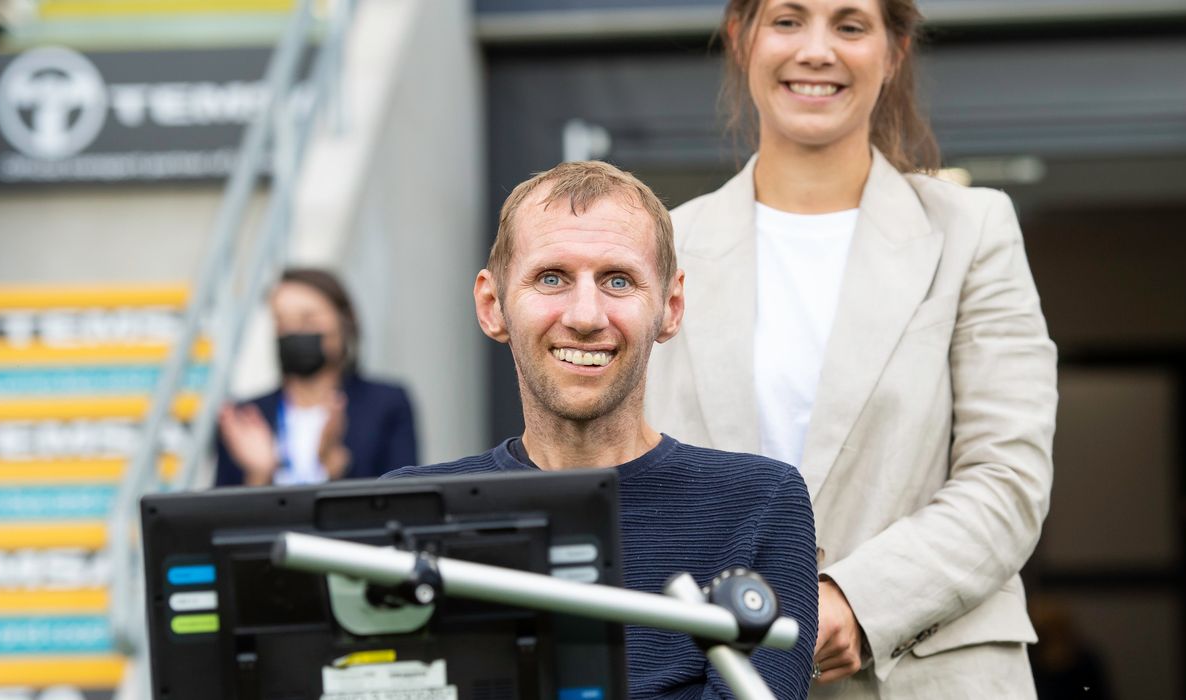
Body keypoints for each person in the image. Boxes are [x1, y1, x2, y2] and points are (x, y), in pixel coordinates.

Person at [645, 0, 1058, 697]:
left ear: (892, 51)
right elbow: (638, 480)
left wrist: (855, 599)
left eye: (848, 24)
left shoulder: (973, 232)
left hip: (929, 677)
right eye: (786, 20)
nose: (815, 50)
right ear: (740, 38)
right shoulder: (665, 247)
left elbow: (1007, 479)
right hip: (718, 674)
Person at [388, 161, 819, 698]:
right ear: (492, 304)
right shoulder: (410, 511)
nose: (587, 316)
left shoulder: (758, 503)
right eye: (552, 278)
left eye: (618, 280)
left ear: (671, 306)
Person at [215, 268, 418, 486]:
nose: (294, 331)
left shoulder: (386, 404)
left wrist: (334, 463)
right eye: (282, 322)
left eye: (308, 319)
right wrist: (259, 474)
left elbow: (403, 501)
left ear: (345, 320)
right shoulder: (248, 418)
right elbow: (222, 514)